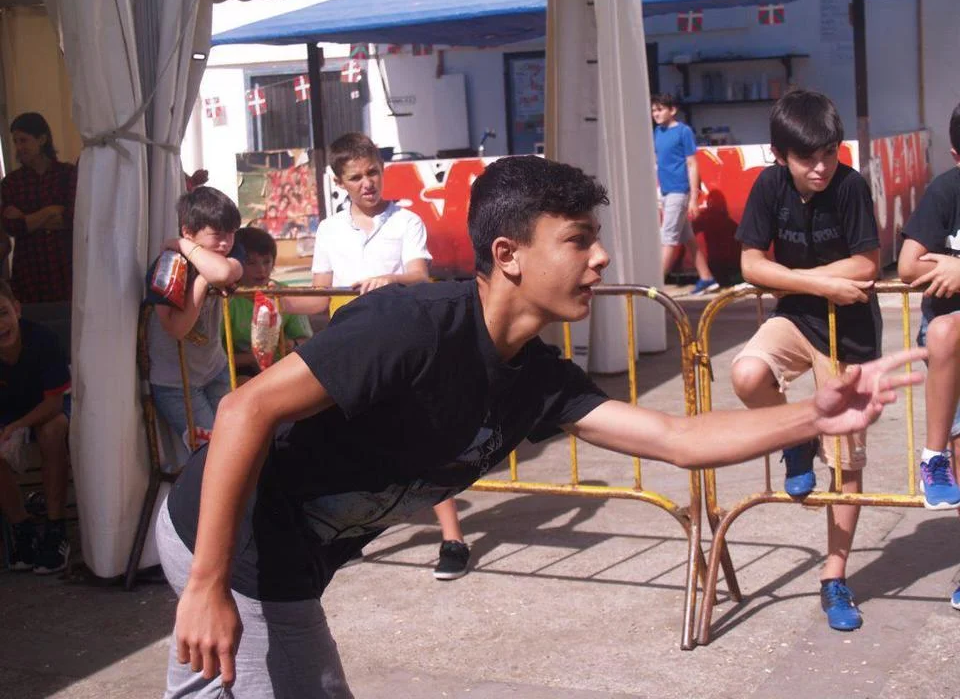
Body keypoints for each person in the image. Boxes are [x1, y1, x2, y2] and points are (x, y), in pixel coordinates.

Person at [158, 155, 922, 697]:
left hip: (290, 553)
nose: (603, 256)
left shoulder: (537, 378)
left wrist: (813, 414)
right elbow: (245, 408)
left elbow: (676, 440)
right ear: (508, 255)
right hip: (231, 533)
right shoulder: (410, 326)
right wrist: (206, 584)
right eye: (579, 238)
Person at [284, 132, 469, 580]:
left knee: (420, 438)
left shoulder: (406, 221)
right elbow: (318, 295)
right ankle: (348, 532)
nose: (367, 183)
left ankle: (453, 539)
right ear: (339, 182)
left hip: (399, 343)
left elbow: (420, 276)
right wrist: (270, 298)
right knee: (345, 440)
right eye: (356, 177)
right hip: (348, 346)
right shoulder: (329, 230)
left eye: (373, 173)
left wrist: (390, 279)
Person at [730, 90, 882, 632]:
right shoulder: (768, 186)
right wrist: (818, 284)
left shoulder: (851, 186)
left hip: (850, 337)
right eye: (806, 158)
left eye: (829, 154)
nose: (820, 167)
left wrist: (795, 279)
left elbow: (867, 264)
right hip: (797, 318)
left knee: (846, 464)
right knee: (747, 373)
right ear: (779, 155)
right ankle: (796, 438)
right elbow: (751, 264)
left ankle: (833, 577)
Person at [898, 105, 960, 534]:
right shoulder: (946, 191)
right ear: (956, 156)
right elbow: (907, 266)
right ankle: (935, 457)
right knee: (944, 329)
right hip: (948, 344)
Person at [146, 187, 242, 454]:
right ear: (188, 231)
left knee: (236, 442)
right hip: (177, 384)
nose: (226, 243)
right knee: (211, 454)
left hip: (215, 370)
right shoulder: (167, 268)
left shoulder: (226, 256)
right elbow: (177, 328)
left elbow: (224, 271)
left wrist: (183, 244)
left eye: (231, 233)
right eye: (217, 235)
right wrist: (201, 283)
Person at [0, 279, 72, 574]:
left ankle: (56, 529)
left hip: (46, 409)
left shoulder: (43, 339)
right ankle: (21, 527)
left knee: (53, 431)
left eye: (3, 313)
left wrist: (17, 426)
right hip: (8, 415)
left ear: (17, 309)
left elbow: (54, 403)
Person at [0, 112, 77, 347]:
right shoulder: (11, 183)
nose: (18, 147)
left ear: (42, 139)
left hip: (63, 269)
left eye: (23, 140)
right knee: (32, 338)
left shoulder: (67, 174)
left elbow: (72, 218)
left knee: (69, 334)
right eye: (15, 141)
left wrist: (27, 219)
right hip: (29, 273)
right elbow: (12, 226)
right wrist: (50, 211)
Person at [224, 226, 312, 381]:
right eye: (251, 263)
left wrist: (292, 344)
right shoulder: (225, 298)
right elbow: (213, 356)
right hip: (238, 372)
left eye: (267, 261)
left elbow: (307, 341)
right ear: (235, 263)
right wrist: (253, 358)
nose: (261, 269)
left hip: (282, 370)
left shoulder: (284, 294)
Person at [651, 94, 717, 295]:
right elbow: (658, 163)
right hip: (666, 192)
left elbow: (692, 164)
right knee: (688, 238)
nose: (656, 114)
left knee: (668, 239)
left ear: (672, 110)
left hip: (679, 191)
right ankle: (707, 278)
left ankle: (652, 288)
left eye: (660, 109)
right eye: (653, 110)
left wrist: (693, 198)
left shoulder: (684, 131)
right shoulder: (657, 132)